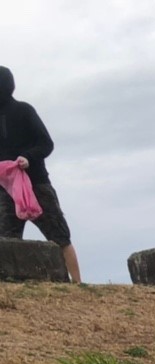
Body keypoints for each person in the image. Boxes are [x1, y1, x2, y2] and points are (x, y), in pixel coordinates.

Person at [0, 66, 80, 282]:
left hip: (37, 184)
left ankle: (78, 284)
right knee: (6, 241)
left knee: (60, 236)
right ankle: (9, 287)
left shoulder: (24, 110)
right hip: (7, 190)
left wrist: (28, 157)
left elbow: (46, 143)